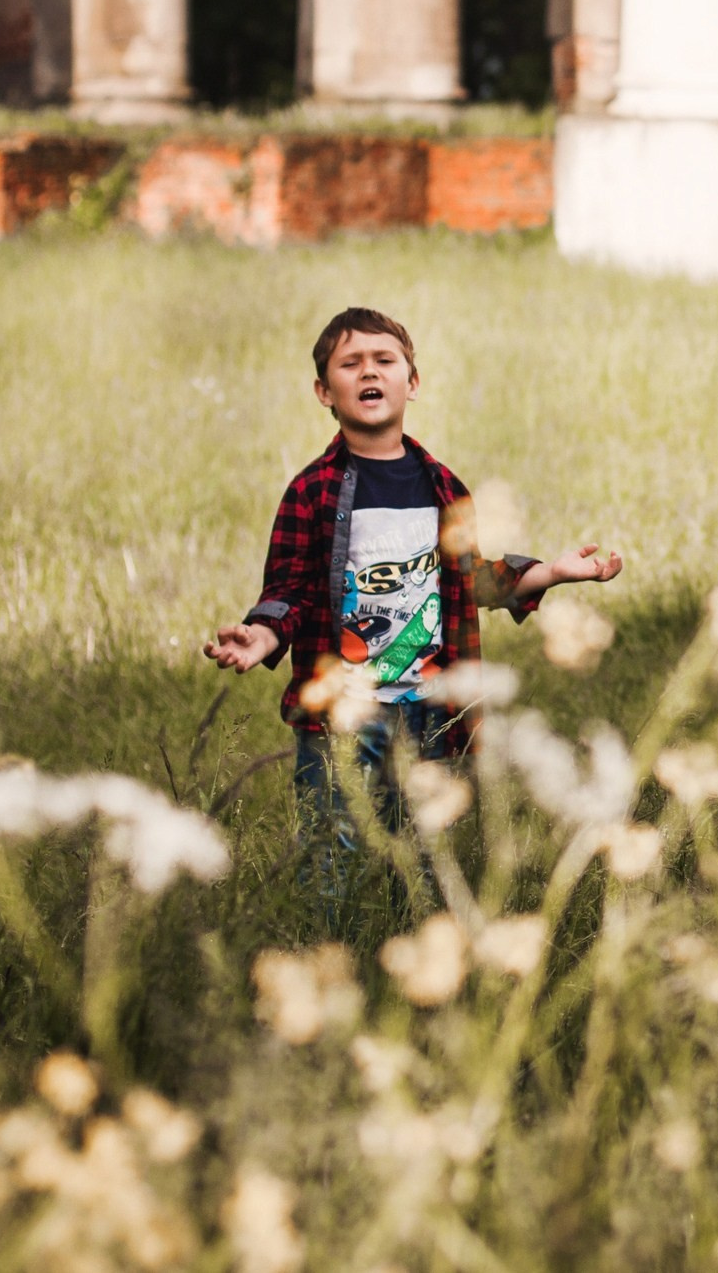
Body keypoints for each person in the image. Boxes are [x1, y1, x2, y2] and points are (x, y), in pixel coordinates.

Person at [202, 306, 623, 884]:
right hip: (344, 713)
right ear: (325, 391)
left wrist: (551, 571)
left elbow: (472, 580)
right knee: (335, 848)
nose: (368, 372)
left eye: (384, 360)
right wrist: (261, 633)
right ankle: (332, 946)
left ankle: (409, 952)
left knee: (426, 858)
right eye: (350, 364)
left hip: (429, 710)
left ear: (412, 382)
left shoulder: (443, 487)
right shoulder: (312, 490)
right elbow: (292, 590)